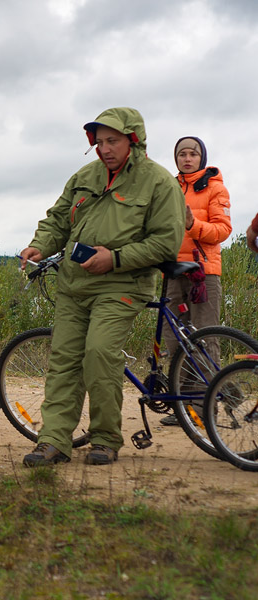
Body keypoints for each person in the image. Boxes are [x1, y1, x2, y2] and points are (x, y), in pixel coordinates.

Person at [19, 107, 185, 468]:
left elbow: (165, 243)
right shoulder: (85, 176)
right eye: (99, 141)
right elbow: (58, 220)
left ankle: (106, 438)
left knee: (99, 354)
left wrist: (115, 258)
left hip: (122, 284)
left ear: (133, 141)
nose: (104, 148)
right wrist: (40, 245)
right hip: (74, 284)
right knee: (63, 361)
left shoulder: (159, 182)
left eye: (113, 141)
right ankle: (53, 441)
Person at [159, 137, 232, 426]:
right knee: (175, 339)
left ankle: (203, 409)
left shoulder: (215, 188)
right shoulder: (169, 187)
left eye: (193, 153)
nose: (187, 158)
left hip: (203, 274)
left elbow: (223, 230)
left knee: (204, 338)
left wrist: (192, 225)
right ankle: (185, 407)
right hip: (172, 272)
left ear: (202, 157)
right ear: (176, 158)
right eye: (182, 154)